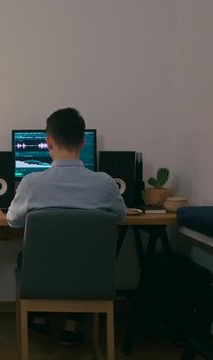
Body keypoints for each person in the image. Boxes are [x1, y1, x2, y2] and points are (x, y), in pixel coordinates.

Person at [7, 107, 126, 345]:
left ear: (48, 141)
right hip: (91, 280)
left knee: (25, 258)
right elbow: (121, 217)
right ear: (83, 142)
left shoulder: (32, 184)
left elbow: (12, 220)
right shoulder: (105, 184)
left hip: (43, 278)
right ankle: (73, 325)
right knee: (85, 260)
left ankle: (39, 319)